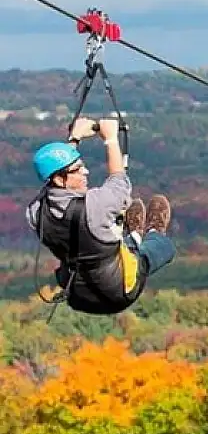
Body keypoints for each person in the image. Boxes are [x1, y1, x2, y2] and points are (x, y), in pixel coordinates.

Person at [26, 117, 177, 315]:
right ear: (59, 179)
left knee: (102, 244)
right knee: (160, 248)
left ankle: (131, 237)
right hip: (118, 291)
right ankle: (148, 233)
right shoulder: (94, 207)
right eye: (77, 169)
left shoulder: (35, 212)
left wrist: (74, 138)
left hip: (78, 295)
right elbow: (120, 185)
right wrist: (111, 140)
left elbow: (53, 176)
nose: (85, 171)